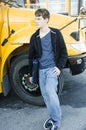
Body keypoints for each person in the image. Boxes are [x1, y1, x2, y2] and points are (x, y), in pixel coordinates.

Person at [28, 8, 68, 130]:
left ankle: (56, 121)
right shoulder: (34, 37)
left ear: (46, 20)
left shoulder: (55, 34)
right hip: (40, 71)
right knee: (45, 96)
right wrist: (31, 74)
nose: (36, 21)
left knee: (51, 93)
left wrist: (59, 67)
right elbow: (31, 57)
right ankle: (53, 116)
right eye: (36, 19)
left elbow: (63, 52)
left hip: (52, 69)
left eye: (39, 19)